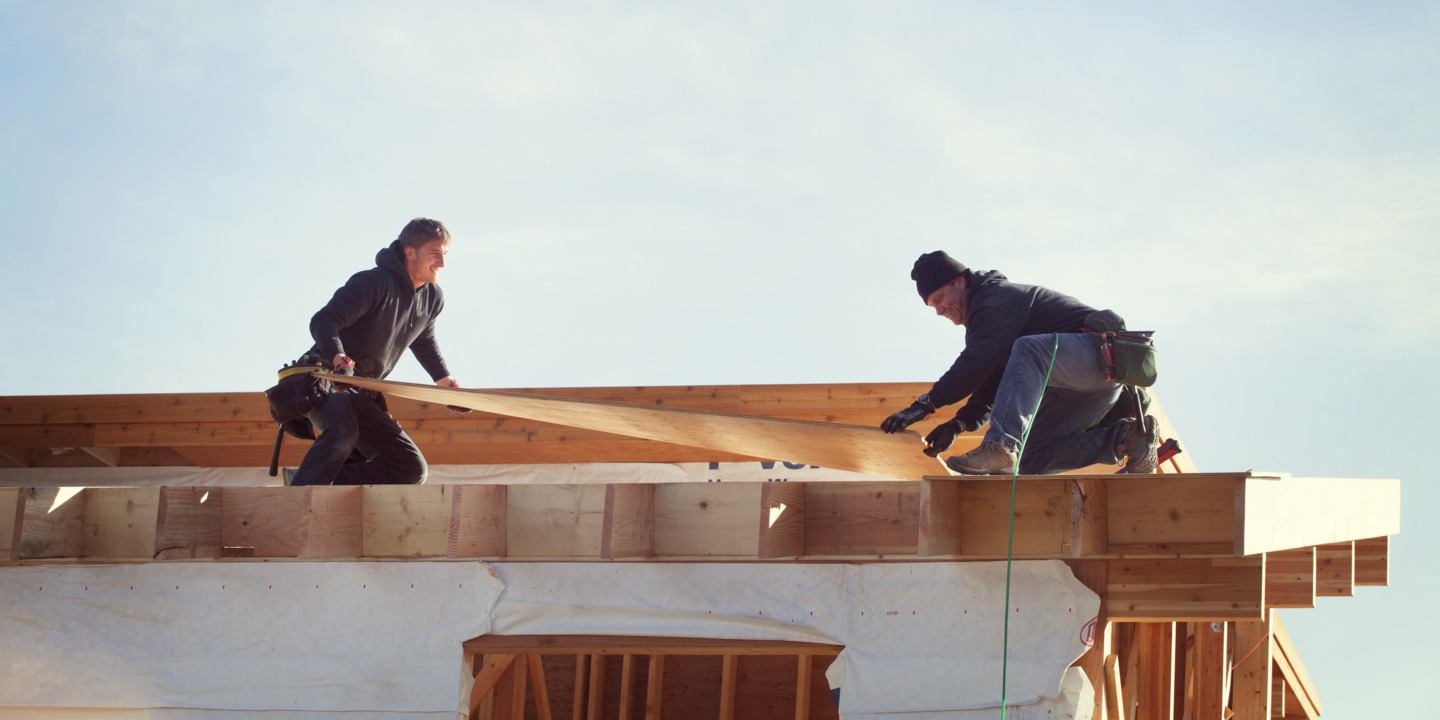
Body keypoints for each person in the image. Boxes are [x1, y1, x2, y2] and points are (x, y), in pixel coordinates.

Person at [880, 251, 1158, 475]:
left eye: (940, 299)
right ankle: (1127, 439)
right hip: (1080, 391)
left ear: (961, 282)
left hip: (1097, 361)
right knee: (1026, 457)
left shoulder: (995, 300)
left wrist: (925, 405)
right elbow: (995, 383)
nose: (939, 311)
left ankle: (1000, 447)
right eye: (933, 306)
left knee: (1028, 349)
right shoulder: (989, 326)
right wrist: (958, 424)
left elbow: (976, 361)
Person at [284, 217, 467, 486]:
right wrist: (338, 357)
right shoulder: (373, 282)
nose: (442, 263)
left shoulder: (432, 297)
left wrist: (445, 383)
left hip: (363, 393)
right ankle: (295, 503)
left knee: (411, 469)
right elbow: (324, 320)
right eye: (435, 254)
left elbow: (424, 341)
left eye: (445, 254)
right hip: (325, 379)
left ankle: (306, 481)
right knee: (343, 432)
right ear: (410, 252)